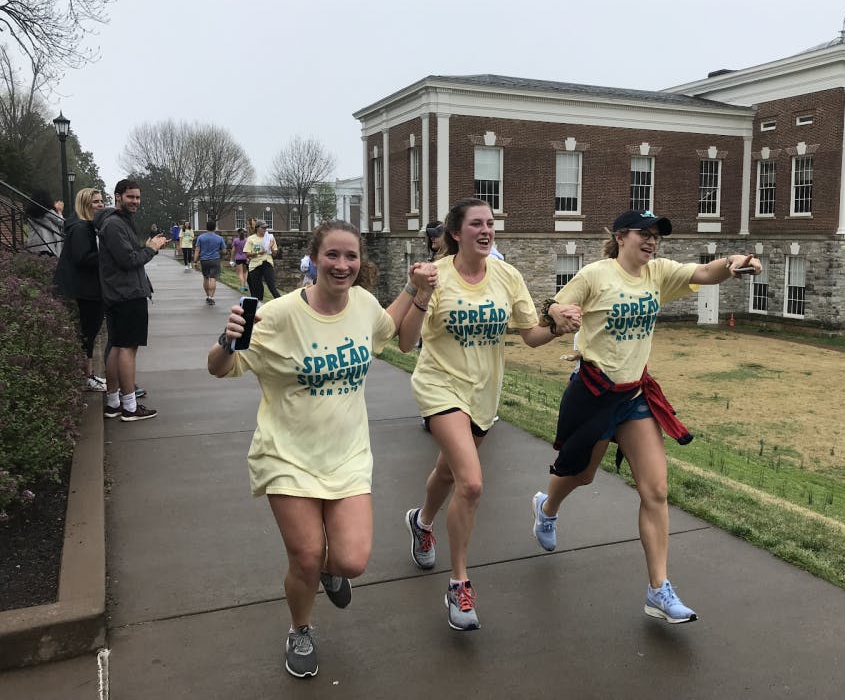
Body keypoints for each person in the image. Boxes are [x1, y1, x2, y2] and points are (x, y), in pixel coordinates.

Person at [206, 220, 437, 679]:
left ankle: (327, 574)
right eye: (333, 255)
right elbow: (219, 369)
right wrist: (225, 340)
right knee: (306, 556)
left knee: (350, 560)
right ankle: (300, 627)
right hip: (287, 454)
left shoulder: (364, 305)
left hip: (347, 453)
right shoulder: (277, 316)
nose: (343, 264)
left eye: (351, 256)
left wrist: (415, 290)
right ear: (313, 259)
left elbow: (388, 328)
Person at [529, 208, 761, 625]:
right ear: (621, 237)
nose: (652, 241)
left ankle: (658, 590)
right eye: (644, 233)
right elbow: (559, 306)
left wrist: (734, 264)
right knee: (581, 475)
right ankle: (547, 508)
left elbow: (704, 273)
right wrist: (559, 316)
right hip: (595, 392)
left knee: (655, 490)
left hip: (634, 396)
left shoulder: (658, 273)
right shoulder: (596, 275)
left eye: (657, 235)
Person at [397, 197, 581, 632]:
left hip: (484, 393)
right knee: (472, 483)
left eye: (491, 224)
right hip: (440, 385)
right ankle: (459, 583)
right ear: (455, 233)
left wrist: (558, 328)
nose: (486, 230)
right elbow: (405, 343)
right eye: (477, 224)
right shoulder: (434, 275)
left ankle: (422, 522)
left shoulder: (506, 276)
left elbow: (529, 336)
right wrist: (420, 294)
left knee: (448, 472)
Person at [95, 179, 169, 421]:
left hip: (121, 293)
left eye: (137, 197)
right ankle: (129, 406)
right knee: (128, 348)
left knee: (117, 346)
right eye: (130, 197)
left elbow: (128, 255)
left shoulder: (117, 223)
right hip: (127, 294)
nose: (135, 201)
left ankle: (115, 402)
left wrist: (145, 247)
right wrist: (152, 249)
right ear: (117, 197)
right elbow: (129, 261)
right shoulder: (114, 224)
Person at [54, 188, 107, 391]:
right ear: (85, 204)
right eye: (95, 202)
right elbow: (83, 258)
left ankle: (90, 374)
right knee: (88, 333)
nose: (100, 205)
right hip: (85, 289)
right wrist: (108, 254)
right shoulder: (81, 228)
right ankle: (88, 376)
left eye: (101, 201)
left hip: (86, 287)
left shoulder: (86, 226)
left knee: (90, 333)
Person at [192, 219, 227, 305]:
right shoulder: (219, 238)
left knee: (205, 278)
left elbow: (197, 250)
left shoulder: (201, 237)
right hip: (215, 259)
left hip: (204, 260)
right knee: (213, 278)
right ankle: (211, 297)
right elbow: (224, 251)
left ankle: (207, 296)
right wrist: (218, 252)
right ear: (215, 228)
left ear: (206, 227)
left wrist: (195, 261)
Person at [244, 221, 280, 300]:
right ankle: (258, 306)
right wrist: (259, 252)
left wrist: (271, 248)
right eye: (263, 228)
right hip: (255, 265)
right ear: (257, 228)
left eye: (266, 228)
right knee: (257, 288)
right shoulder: (251, 238)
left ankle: (282, 304)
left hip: (267, 262)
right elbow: (247, 254)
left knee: (272, 286)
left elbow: (274, 254)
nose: (265, 229)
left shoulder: (270, 237)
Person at [24, 189, 65, 257]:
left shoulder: (30, 212)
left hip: (34, 242)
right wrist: (59, 211)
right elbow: (61, 222)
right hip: (47, 244)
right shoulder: (47, 212)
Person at [230, 228, 249, 292]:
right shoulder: (247, 240)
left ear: (238, 233)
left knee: (240, 273)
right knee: (245, 272)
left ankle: (242, 287)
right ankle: (246, 285)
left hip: (238, 258)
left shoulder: (236, 240)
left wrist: (231, 259)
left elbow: (233, 251)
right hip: (245, 258)